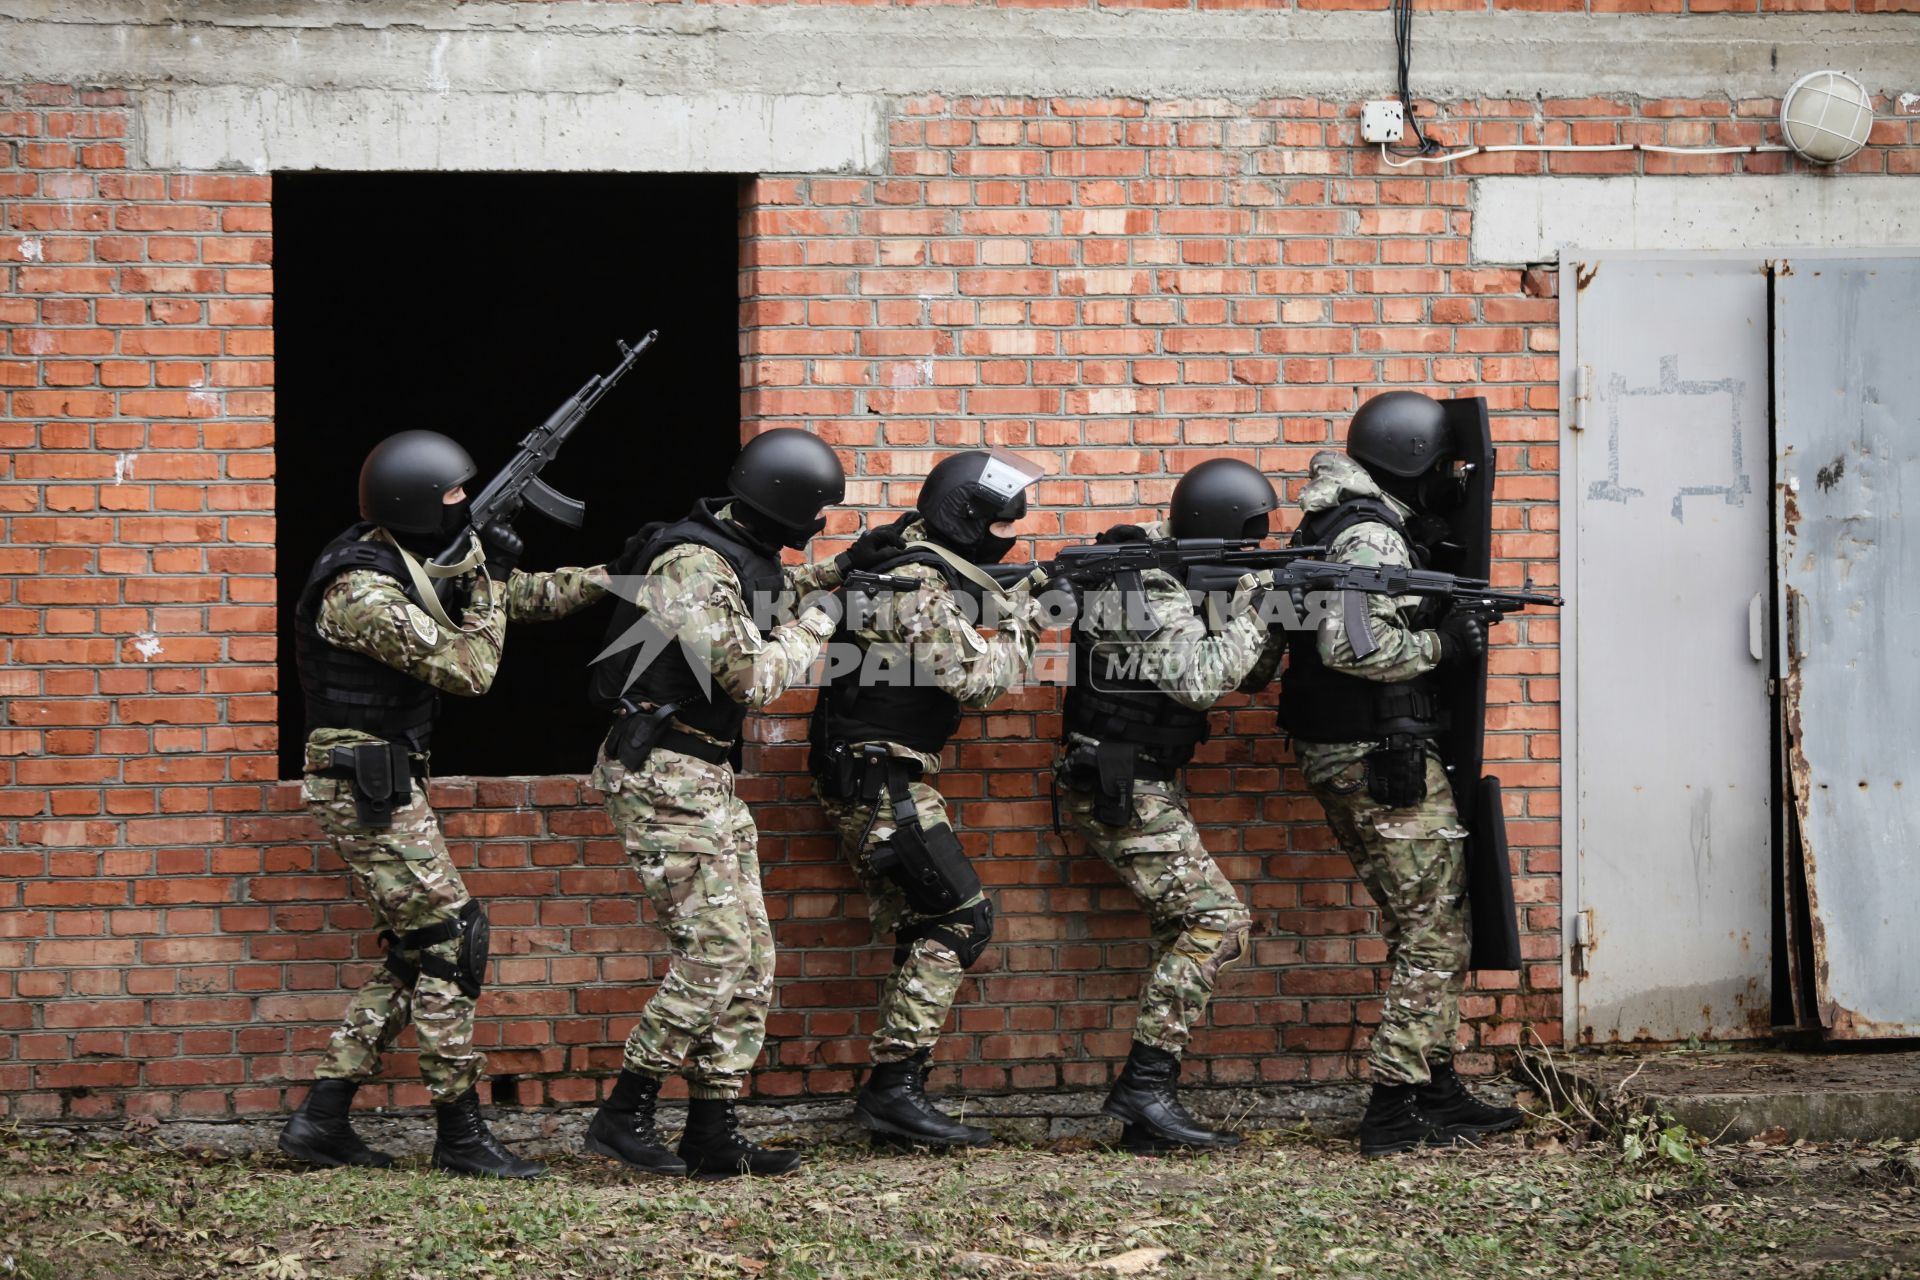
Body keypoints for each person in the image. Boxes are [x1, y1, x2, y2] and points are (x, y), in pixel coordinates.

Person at [280, 430, 609, 1179]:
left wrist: (617, 577)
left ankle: (322, 1119)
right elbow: (469, 667)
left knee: (416, 950)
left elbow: (515, 597)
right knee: (456, 940)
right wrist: (489, 575)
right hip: (359, 786)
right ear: (416, 502)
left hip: (386, 781)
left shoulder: (409, 560)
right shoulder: (357, 589)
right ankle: (459, 1135)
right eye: (455, 494)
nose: (465, 503)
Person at [582, 427, 906, 1179]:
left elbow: (766, 595)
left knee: (753, 953)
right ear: (785, 505)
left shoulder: (734, 554)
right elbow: (753, 678)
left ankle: (712, 1129)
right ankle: (623, 1110)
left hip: (702, 772)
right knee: (717, 950)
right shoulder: (690, 562)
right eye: (816, 514)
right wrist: (828, 614)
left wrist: (845, 567)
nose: (817, 528)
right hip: (661, 774)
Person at [1274, 391, 1523, 1156]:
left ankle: (1433, 1086)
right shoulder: (1369, 541)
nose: (1450, 477)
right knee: (1434, 931)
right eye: (1444, 464)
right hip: (1374, 754)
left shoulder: (1350, 526)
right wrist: (1444, 648)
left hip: (1366, 749)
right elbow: (1352, 649)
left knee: (1430, 922)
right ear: (1413, 459)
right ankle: (1393, 1106)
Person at [807, 449, 1048, 1151]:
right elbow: (976, 679)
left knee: (925, 928)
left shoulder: (919, 568)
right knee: (961, 919)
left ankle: (896, 1098)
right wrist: (1032, 616)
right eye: (1002, 522)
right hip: (879, 780)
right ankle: (893, 1094)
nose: (1009, 534)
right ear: (966, 517)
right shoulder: (911, 582)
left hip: (879, 773)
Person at [1053, 458, 1273, 1153]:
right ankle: (1146, 1090)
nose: (1252, 553)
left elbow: (1248, 673)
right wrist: (1258, 606)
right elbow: (1204, 679)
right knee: (1216, 922)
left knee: (1183, 930)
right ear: (1215, 528)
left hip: (1146, 778)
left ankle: (1146, 1117)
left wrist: (1274, 616)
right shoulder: (1141, 584)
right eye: (1247, 538)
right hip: (1119, 781)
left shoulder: (1179, 575)